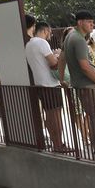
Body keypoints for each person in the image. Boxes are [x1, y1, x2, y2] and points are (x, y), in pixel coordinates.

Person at [64, 9, 95, 157]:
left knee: (94, 116)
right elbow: (84, 66)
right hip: (89, 85)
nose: (92, 25)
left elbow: (61, 59)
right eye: (89, 22)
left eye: (92, 22)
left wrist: (62, 79)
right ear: (80, 22)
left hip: (80, 84)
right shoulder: (78, 39)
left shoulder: (70, 36)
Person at [24, 15, 68, 150]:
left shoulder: (29, 44)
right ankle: (59, 144)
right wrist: (59, 55)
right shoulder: (42, 43)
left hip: (39, 83)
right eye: (49, 31)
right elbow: (54, 63)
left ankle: (56, 143)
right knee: (56, 115)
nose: (50, 34)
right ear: (45, 30)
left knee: (49, 114)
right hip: (50, 84)